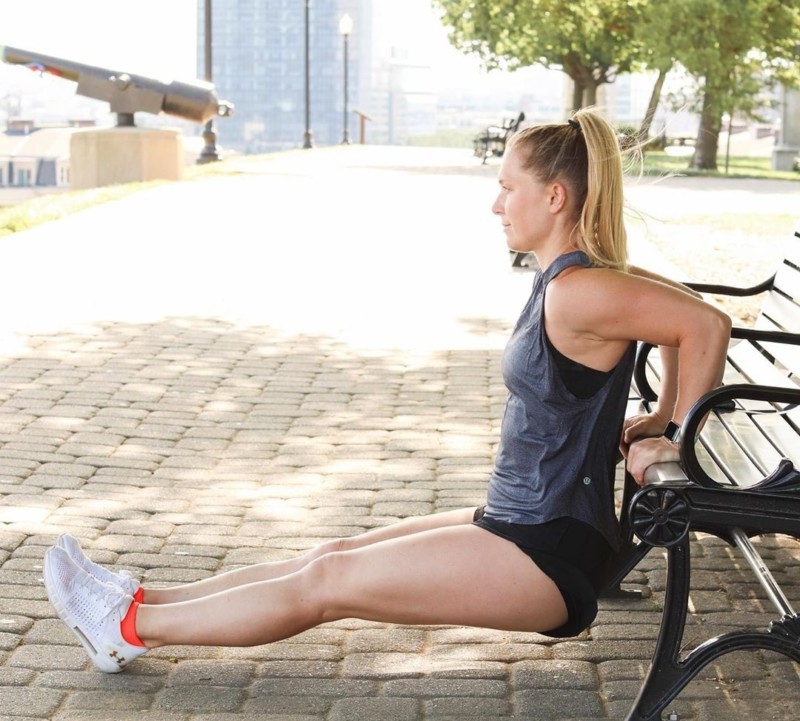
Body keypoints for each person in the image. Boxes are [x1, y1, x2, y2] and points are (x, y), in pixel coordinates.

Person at [42, 108, 731, 674]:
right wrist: (660, 414)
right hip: (516, 521)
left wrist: (675, 432)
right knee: (330, 556)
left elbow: (703, 324)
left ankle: (128, 626)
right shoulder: (571, 282)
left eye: (507, 186)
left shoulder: (581, 292)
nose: (496, 203)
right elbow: (683, 323)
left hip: (548, 553)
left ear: (554, 197)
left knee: (326, 588)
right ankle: (140, 598)